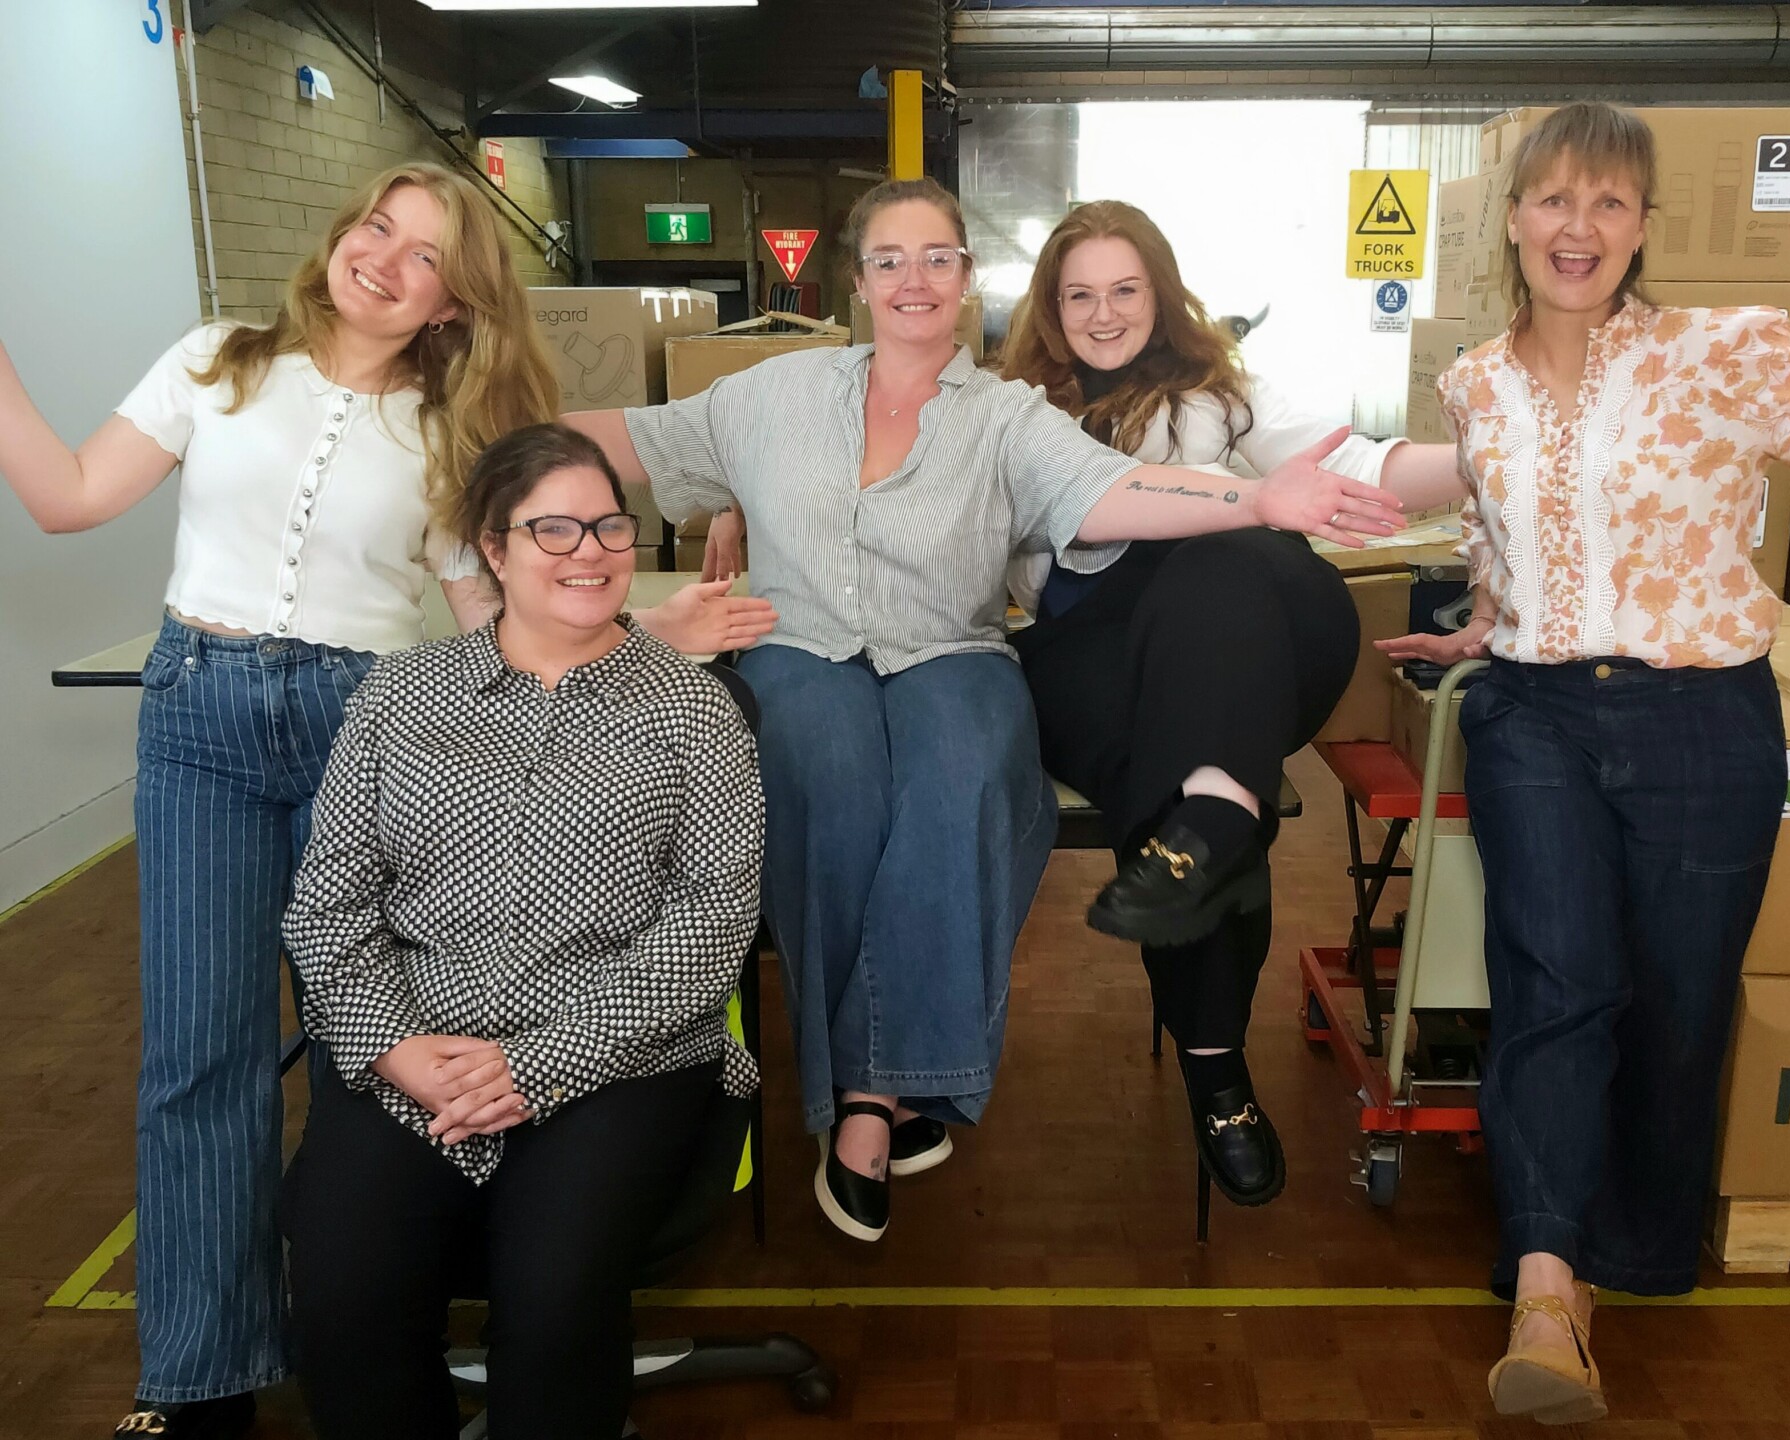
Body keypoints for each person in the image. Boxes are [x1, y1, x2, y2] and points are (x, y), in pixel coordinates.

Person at [0, 162, 766, 1440]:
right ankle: (199, 1381)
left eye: (424, 256)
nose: (386, 259)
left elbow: (500, 614)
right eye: (377, 229)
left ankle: (410, 1246)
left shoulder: (447, 432)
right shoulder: (219, 360)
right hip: (201, 705)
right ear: (343, 237)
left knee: (383, 1016)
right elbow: (68, 496)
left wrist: (639, 634)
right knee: (202, 1061)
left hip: (363, 715)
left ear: (451, 304)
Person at [567, 176, 1408, 1243]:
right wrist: (473, 422)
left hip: (950, 650)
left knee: (965, 773)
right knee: (825, 772)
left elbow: (1112, 492)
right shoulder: (764, 396)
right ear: (858, 280)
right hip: (796, 645)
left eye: (937, 259)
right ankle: (866, 1102)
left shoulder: (1008, 416)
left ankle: (887, 1087)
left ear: (965, 279)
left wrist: (1253, 499)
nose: (914, 280)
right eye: (890, 261)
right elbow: (611, 448)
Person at [1377, 102, 1790, 1424]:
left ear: (1642, 227)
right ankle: (1550, 1287)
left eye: (1610, 205)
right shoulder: (1477, 382)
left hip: (1703, 718)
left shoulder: (1724, 353)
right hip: (1538, 716)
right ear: (1514, 218)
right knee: (1557, 984)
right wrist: (1485, 635)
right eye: (1557, 201)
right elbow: (1506, 548)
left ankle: (1635, 1252)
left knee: (1677, 1004)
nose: (1581, 229)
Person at [279, 423, 762, 1440]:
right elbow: (328, 907)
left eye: (606, 526)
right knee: (341, 1296)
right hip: (418, 1050)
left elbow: (712, 921)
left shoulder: (694, 713)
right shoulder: (399, 698)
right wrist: (399, 1051)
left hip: (620, 1062)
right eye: (552, 530)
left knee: (554, 1305)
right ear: (492, 552)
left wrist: (534, 1066)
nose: (588, 550)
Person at [987, 200, 1462, 1209]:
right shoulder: (1005, 408)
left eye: (1125, 289)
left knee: (1235, 554)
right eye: (1080, 294)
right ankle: (1217, 1060)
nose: (1104, 314)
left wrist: (1486, 461)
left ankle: (1207, 815)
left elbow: (1359, 461)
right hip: (1090, 658)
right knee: (1199, 798)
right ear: (1050, 305)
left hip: (1234, 641)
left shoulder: (1218, 392)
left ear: (1157, 293)